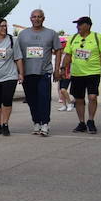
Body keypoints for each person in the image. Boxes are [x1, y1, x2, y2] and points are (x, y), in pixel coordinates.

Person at [14, 8, 62, 137]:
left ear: (43, 19)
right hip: (27, 73)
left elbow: (58, 50)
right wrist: (19, 72)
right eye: (34, 17)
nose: (36, 19)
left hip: (44, 72)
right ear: (30, 19)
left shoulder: (51, 33)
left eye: (39, 17)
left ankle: (45, 123)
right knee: (31, 100)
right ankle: (36, 122)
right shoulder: (23, 34)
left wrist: (57, 70)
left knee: (44, 99)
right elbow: (17, 54)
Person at [60, 17, 101, 135]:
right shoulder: (73, 38)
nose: (78, 27)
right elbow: (67, 55)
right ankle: (81, 123)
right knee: (79, 99)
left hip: (93, 73)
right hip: (77, 74)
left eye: (80, 24)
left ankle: (91, 120)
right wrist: (62, 68)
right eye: (77, 24)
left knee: (92, 97)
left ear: (88, 25)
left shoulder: (97, 37)